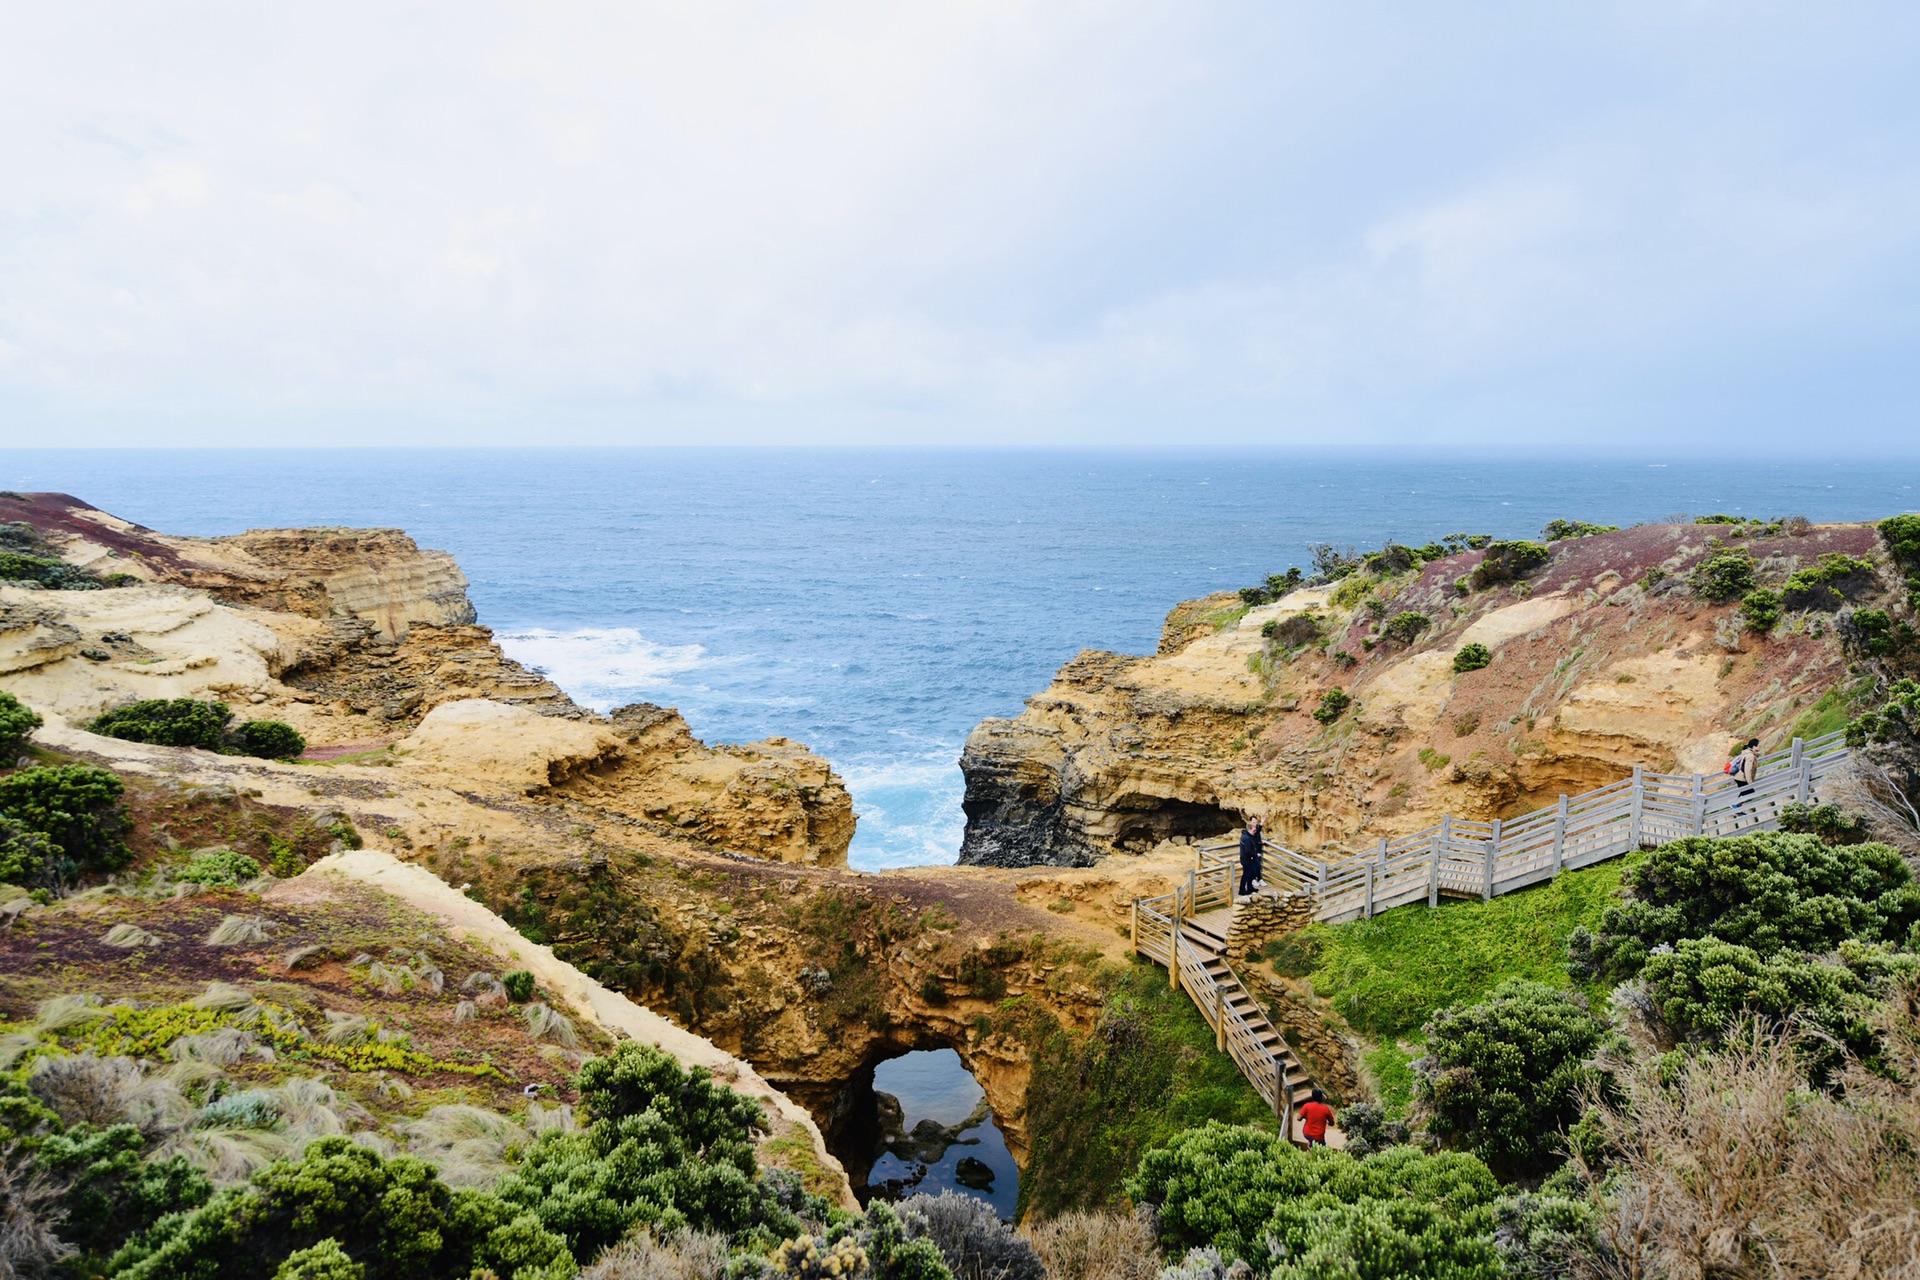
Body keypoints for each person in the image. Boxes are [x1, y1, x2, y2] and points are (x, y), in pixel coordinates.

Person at [1731, 737, 1760, 814]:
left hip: (1738, 777)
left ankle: (1737, 809)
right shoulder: (1750, 756)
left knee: (1744, 793)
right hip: (1742, 778)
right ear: (1754, 747)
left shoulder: (1746, 753)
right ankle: (1735, 805)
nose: (1759, 747)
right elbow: (1748, 770)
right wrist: (1750, 783)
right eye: (1758, 745)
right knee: (1750, 793)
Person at [1237, 816, 1264, 902]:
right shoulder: (1247, 838)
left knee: (1251, 873)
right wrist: (1256, 854)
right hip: (1247, 859)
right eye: (1254, 830)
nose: (1255, 831)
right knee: (1246, 874)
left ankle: (1249, 888)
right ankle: (1242, 890)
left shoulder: (1246, 835)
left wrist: (1262, 822)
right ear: (1249, 829)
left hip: (1248, 859)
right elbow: (1248, 850)